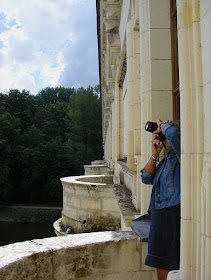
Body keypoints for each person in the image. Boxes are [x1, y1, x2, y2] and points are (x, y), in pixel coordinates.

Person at [141, 119, 180, 280]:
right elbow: (146, 177)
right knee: (160, 261)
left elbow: (177, 139)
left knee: (166, 261)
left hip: (170, 213)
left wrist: (164, 125)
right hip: (160, 214)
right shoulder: (166, 159)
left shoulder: (179, 156)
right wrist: (154, 155)